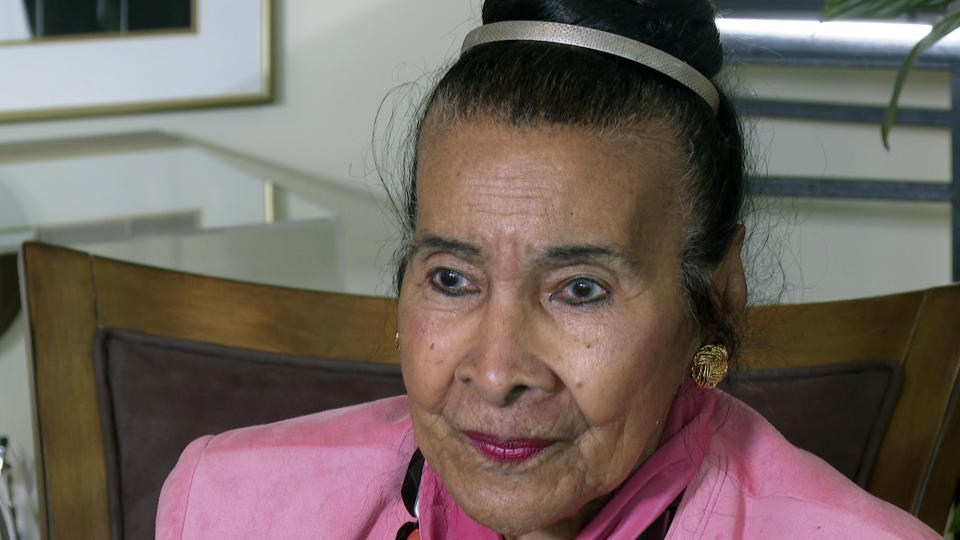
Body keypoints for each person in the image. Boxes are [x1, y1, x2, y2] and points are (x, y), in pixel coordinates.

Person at [156, 1, 942, 538]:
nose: (497, 373)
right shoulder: (226, 506)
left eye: (581, 291)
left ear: (716, 298)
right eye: (452, 279)